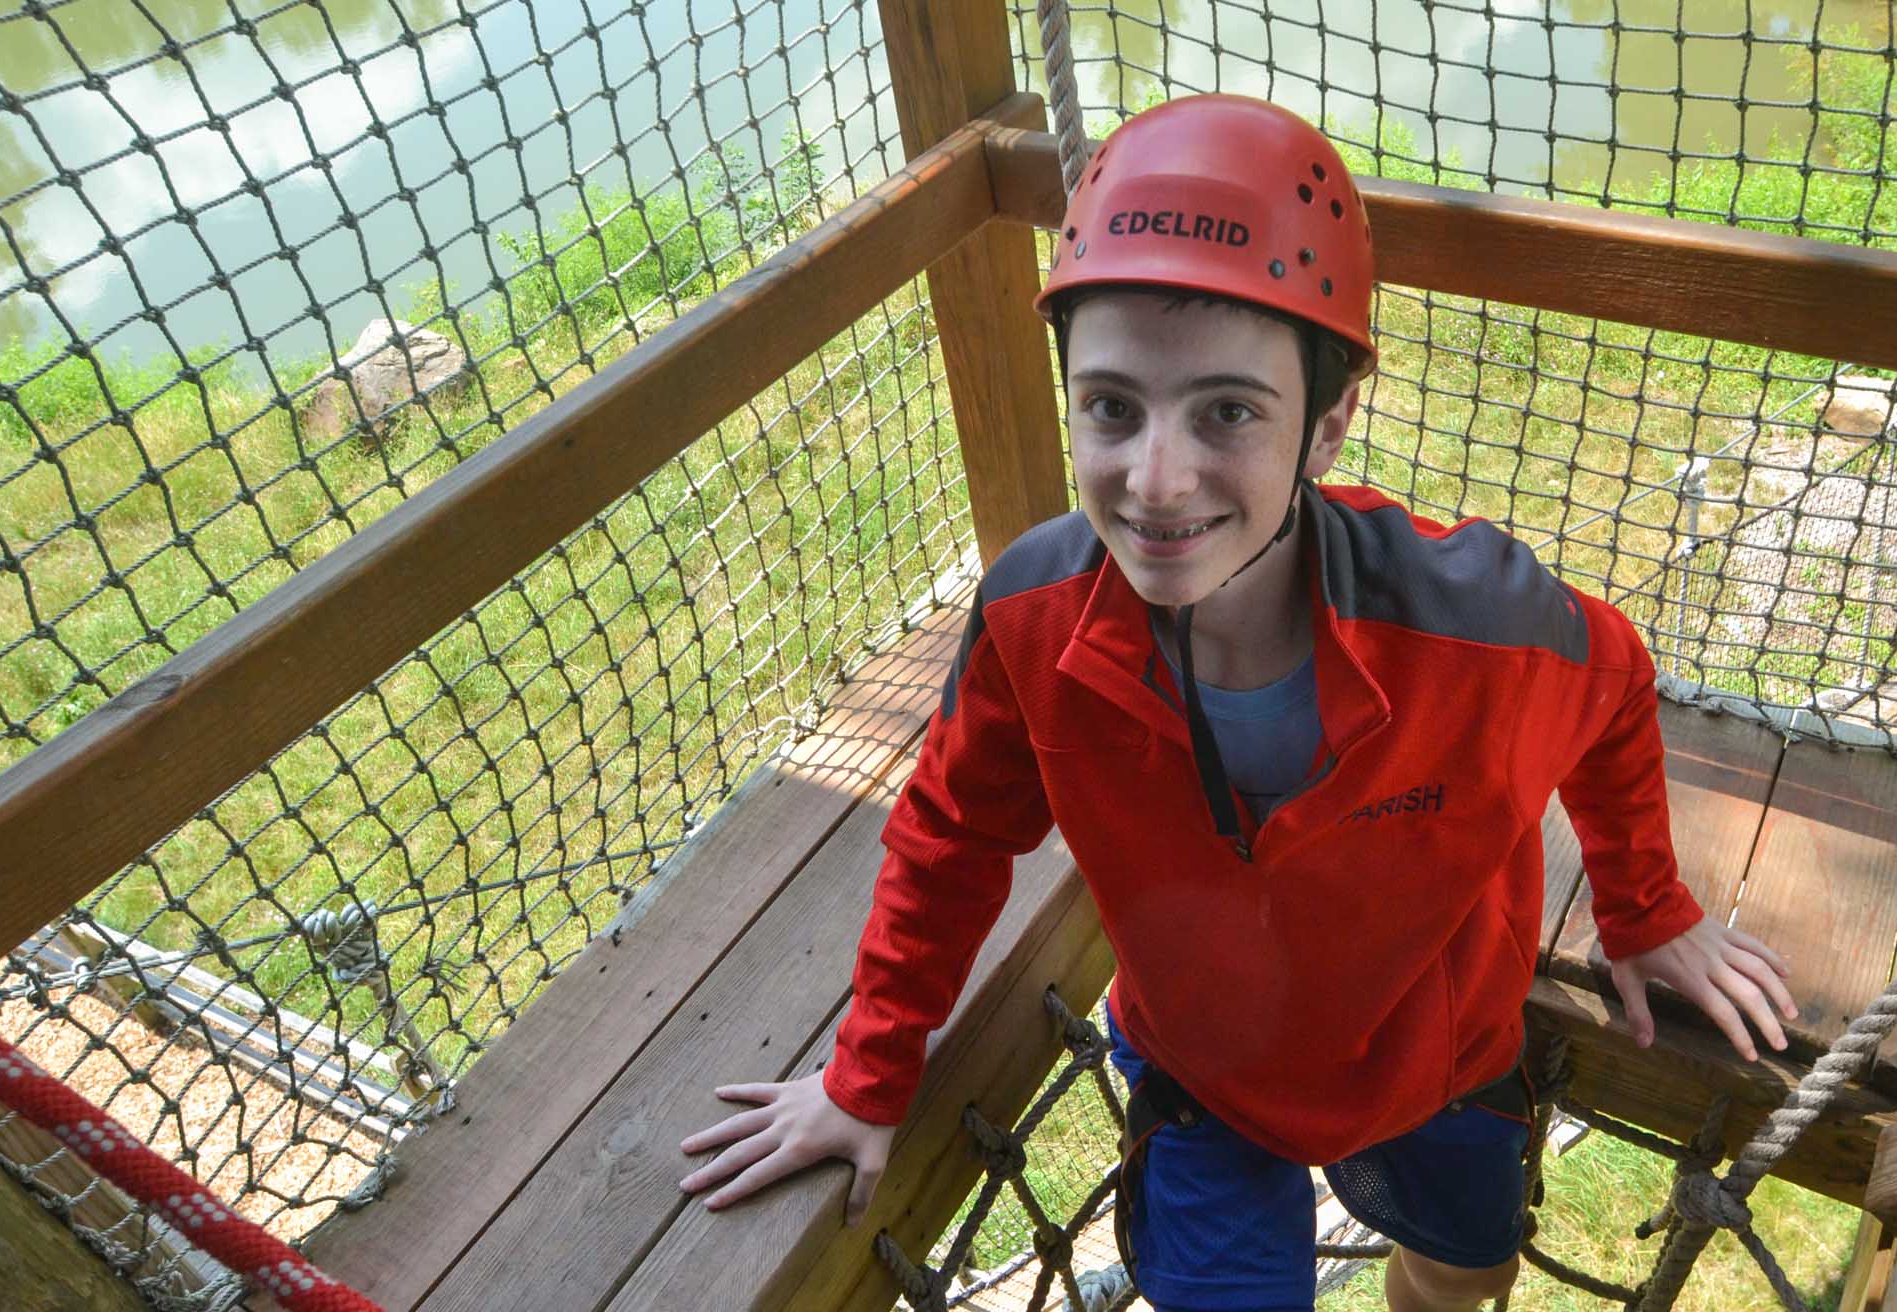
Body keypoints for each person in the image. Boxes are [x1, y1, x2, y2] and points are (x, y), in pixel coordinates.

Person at [679, 94, 1796, 1312]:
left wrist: (1643, 909)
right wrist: (867, 1072)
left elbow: (1615, 681)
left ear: (1327, 423)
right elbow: (950, 833)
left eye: (1226, 411)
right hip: (1203, 1069)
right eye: (1111, 405)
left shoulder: (1471, 626)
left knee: (1463, 1274)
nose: (1154, 483)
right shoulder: (1031, 618)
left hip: (1437, 1057)